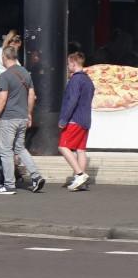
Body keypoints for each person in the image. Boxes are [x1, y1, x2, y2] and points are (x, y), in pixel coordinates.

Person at [0, 44, 42, 195]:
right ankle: (36, 176)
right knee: (20, 148)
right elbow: (31, 95)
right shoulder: (25, 73)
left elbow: (2, 99)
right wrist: (29, 113)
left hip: (9, 118)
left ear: (4, 57)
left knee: (6, 151)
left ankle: (9, 185)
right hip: (22, 116)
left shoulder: (4, 76)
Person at [59, 49, 94, 192]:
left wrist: (63, 119)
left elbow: (72, 101)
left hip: (75, 119)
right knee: (81, 150)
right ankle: (80, 180)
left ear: (73, 63)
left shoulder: (75, 79)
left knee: (63, 146)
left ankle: (79, 174)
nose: (68, 67)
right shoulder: (88, 80)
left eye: (68, 64)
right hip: (85, 119)